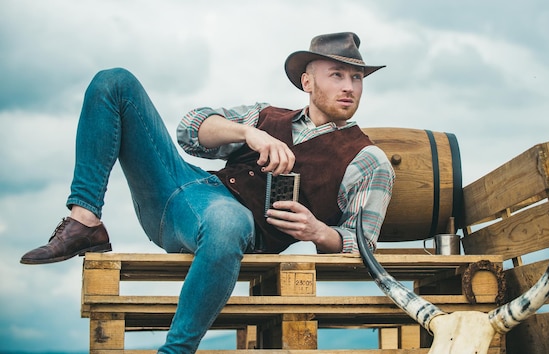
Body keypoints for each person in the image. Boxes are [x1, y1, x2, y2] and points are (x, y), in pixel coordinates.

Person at [20, 32, 395, 353]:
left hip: (230, 227)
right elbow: (191, 130)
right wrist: (248, 133)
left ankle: (175, 350)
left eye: (356, 78)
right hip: (180, 188)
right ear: (308, 82)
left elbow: (363, 245)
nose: (348, 86)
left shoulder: (366, 159)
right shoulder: (266, 116)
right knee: (114, 81)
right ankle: (84, 220)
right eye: (337, 75)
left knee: (227, 220)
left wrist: (319, 232)